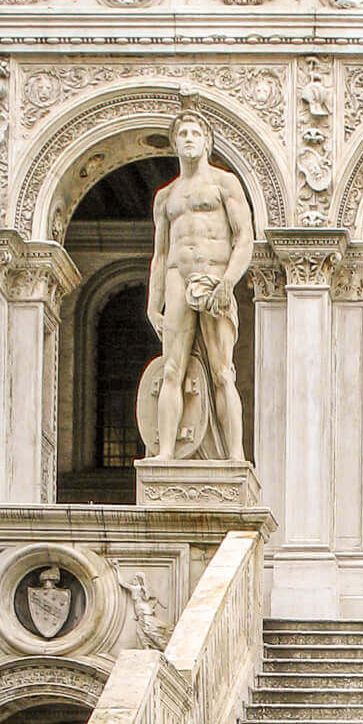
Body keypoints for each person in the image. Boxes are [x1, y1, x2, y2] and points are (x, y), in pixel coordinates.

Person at [147, 111, 254, 462]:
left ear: (207, 141)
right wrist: (153, 304)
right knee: (172, 369)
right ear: (174, 142)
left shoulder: (225, 184)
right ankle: (165, 452)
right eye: (183, 133)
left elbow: (245, 239)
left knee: (224, 372)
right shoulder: (165, 197)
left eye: (195, 132)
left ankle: (236, 455)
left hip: (213, 276)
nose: (189, 138)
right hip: (179, 277)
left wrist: (228, 281)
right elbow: (160, 255)